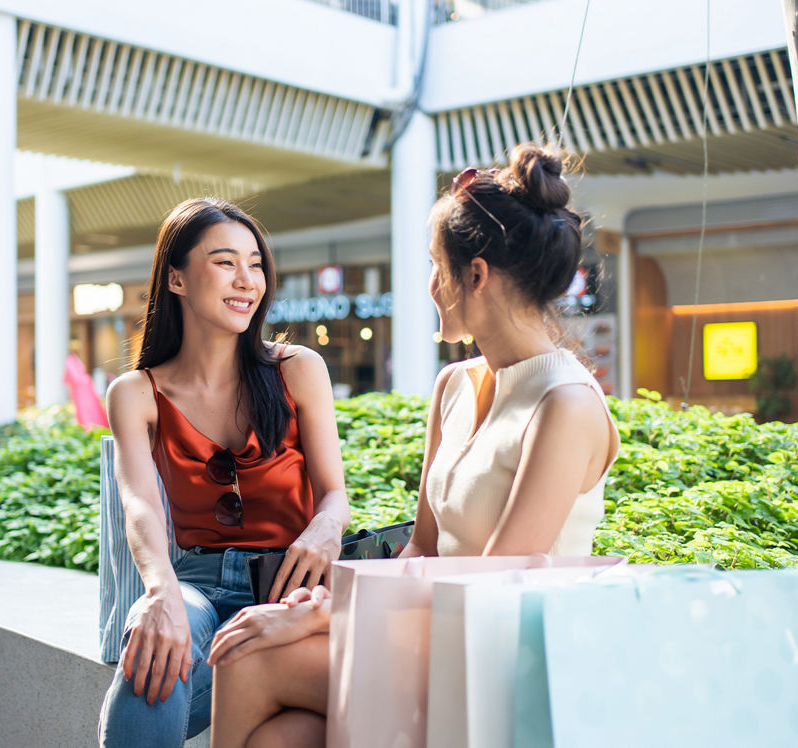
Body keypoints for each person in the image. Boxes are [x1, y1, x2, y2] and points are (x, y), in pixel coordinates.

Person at [205, 144, 620, 748]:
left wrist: (318, 617)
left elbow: (490, 589)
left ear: (474, 274)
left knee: (246, 660)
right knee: (283, 736)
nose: (429, 285)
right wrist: (319, 605)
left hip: (501, 666)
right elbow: (422, 549)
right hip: (433, 639)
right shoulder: (453, 385)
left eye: (435, 265)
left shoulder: (567, 403)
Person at [97, 198, 351, 747]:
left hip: (287, 586)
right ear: (177, 279)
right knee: (162, 640)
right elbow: (138, 505)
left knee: (163, 662)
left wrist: (324, 530)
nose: (247, 280)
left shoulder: (299, 369)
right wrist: (160, 591)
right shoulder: (135, 394)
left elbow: (335, 495)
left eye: (255, 263)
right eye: (224, 261)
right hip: (196, 584)